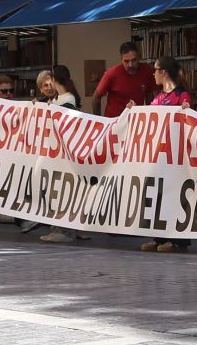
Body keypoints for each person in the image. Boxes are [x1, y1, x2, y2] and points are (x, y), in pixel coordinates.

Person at [141, 57, 195, 254]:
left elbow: (187, 118)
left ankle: (178, 240)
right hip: (159, 155)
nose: (153, 74)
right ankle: (160, 237)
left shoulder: (182, 96)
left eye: (155, 70)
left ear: (163, 72)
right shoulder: (158, 97)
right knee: (158, 195)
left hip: (175, 156)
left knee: (174, 194)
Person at [35, 65, 87, 245]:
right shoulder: (61, 99)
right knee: (53, 191)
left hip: (62, 156)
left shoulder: (67, 100)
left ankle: (64, 230)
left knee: (60, 192)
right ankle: (57, 228)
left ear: (56, 81)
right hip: (55, 155)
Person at [93, 41, 155, 117]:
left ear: (139, 57)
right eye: (126, 61)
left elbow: (149, 95)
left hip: (136, 120)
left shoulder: (146, 70)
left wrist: (150, 116)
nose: (130, 65)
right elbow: (96, 98)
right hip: (115, 121)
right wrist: (99, 120)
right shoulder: (112, 73)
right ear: (121, 59)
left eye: (134, 60)